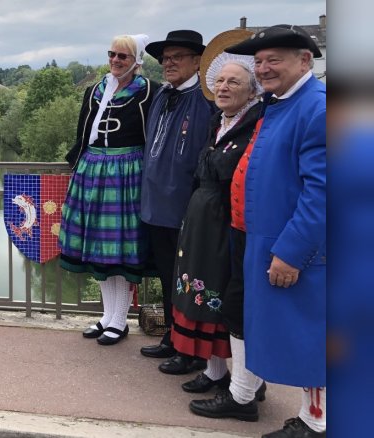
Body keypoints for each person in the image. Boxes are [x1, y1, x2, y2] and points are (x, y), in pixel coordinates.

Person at [162, 30, 269, 422]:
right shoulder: (221, 122)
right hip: (202, 222)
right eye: (220, 81)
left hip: (227, 224)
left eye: (234, 82)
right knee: (201, 291)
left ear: (252, 90)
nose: (223, 87)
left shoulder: (255, 125)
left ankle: (241, 384)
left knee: (223, 296)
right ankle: (215, 370)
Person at [225, 25, 326, 437]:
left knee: (313, 336)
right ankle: (311, 417)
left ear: (305, 61)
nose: (263, 68)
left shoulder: (317, 108)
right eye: (259, 61)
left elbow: (324, 192)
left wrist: (290, 251)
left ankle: (317, 423)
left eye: (274, 60)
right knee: (296, 335)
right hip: (267, 241)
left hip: (302, 251)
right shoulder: (279, 103)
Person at [59, 34, 155, 345]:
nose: (115, 60)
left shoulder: (149, 93)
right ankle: (106, 316)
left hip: (126, 175)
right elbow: (82, 135)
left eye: (123, 57)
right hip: (93, 172)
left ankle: (120, 320)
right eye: (112, 54)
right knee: (99, 248)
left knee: (118, 250)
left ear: (136, 61)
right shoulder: (94, 92)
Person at [139, 30, 214, 375]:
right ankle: (172, 336)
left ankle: (193, 350)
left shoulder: (206, 100)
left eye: (177, 57)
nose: (169, 63)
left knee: (190, 280)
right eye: (165, 58)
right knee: (168, 277)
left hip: (186, 206)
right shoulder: (161, 96)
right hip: (156, 204)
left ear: (198, 61)